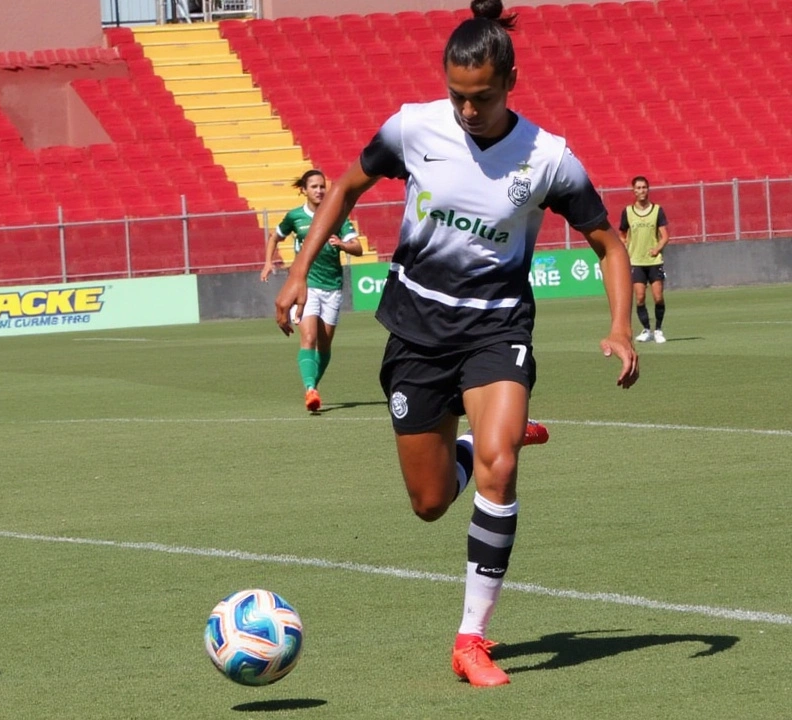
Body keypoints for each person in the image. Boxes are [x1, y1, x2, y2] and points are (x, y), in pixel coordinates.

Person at [274, 0, 639, 687]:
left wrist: (620, 326)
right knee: (430, 501)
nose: (468, 110)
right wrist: (298, 271)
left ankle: (471, 636)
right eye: (457, 95)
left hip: (497, 327)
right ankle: (477, 444)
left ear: (511, 81)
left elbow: (608, 245)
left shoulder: (549, 158)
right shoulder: (413, 127)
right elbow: (348, 185)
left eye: (483, 96)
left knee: (502, 469)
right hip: (415, 328)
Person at [261, 170, 364, 411]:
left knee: (325, 346)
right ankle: (310, 389)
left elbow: (358, 248)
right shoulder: (295, 216)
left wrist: (343, 245)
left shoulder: (337, 216)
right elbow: (274, 237)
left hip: (333, 287)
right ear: (304, 190)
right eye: (314, 187)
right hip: (307, 287)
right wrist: (268, 262)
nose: (319, 191)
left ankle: (313, 387)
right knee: (308, 338)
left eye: (322, 187)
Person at [618, 176, 669, 343]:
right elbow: (622, 234)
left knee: (658, 296)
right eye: (638, 188)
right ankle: (647, 330)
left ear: (648, 189)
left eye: (644, 187)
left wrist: (657, 248)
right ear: (633, 190)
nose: (641, 191)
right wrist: (625, 246)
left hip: (654, 261)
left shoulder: (657, 210)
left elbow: (665, 236)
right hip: (636, 262)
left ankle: (659, 330)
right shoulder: (627, 212)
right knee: (639, 297)